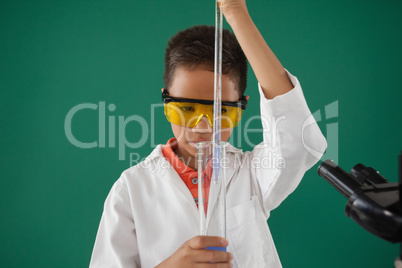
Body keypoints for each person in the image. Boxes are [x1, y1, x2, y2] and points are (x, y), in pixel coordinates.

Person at [89, 0, 327, 267]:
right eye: (187, 108)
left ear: (242, 105)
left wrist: (236, 13)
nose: (203, 127)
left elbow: (298, 140)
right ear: (165, 102)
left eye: (221, 111)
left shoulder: (250, 174)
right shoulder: (132, 189)